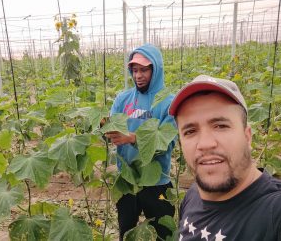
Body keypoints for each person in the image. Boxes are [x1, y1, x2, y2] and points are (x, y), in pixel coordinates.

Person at [168, 75, 281, 241]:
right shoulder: (193, 195)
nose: (205, 144)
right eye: (190, 131)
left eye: (221, 126)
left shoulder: (274, 212)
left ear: (247, 136)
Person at [106, 43, 175, 240]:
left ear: (156, 69)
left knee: (164, 233)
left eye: (144, 70)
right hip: (127, 179)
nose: (138, 75)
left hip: (157, 181)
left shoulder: (168, 102)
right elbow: (113, 126)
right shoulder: (123, 99)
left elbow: (167, 143)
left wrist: (134, 138)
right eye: (134, 70)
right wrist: (106, 129)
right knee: (127, 232)